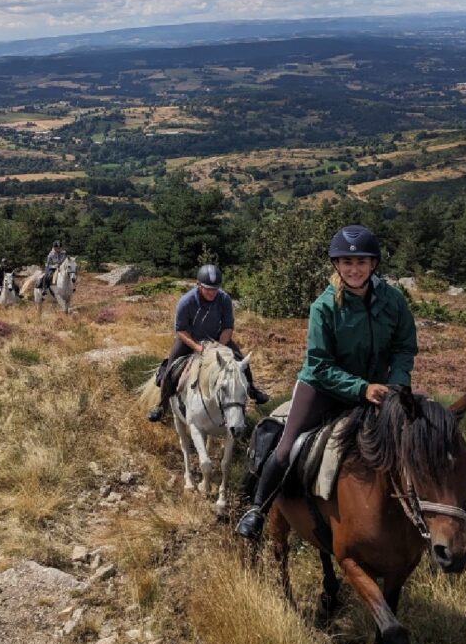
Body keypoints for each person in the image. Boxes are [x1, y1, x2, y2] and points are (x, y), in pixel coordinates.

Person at [235, 225, 418, 541]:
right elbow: (319, 366)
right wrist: (361, 388)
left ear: (373, 264)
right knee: (286, 448)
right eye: (347, 262)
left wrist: (398, 383)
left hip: (378, 388)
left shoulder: (394, 301)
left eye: (361, 262)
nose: (354, 269)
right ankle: (257, 509)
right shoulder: (324, 306)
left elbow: (404, 347)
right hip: (322, 387)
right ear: (336, 265)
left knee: (417, 438)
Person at [147, 263, 269, 423]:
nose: (212, 292)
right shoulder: (186, 301)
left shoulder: (224, 299)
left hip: (217, 339)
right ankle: (161, 406)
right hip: (189, 341)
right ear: (198, 285)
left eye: (215, 288)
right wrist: (198, 348)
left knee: (240, 360)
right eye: (207, 288)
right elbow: (180, 331)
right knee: (171, 370)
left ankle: (252, 390)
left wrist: (219, 345)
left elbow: (227, 327)